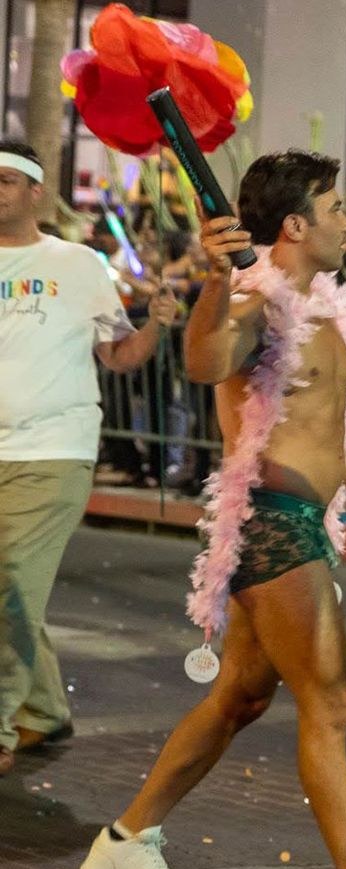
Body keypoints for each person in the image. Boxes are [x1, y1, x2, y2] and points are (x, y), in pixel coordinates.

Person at [79, 149, 346, 869]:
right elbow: (203, 360)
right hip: (272, 521)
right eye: (337, 205)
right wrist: (215, 277)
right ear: (297, 224)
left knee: (240, 696)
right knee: (331, 697)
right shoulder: (254, 299)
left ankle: (126, 842)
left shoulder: (323, 307)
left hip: (303, 521)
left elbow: (329, 435)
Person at [0, 140, 176, 778]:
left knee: (15, 576)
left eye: (8, 180)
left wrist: (154, 322)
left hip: (54, 450)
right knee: (9, 586)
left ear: (36, 192)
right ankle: (44, 708)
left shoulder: (78, 265)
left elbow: (120, 356)